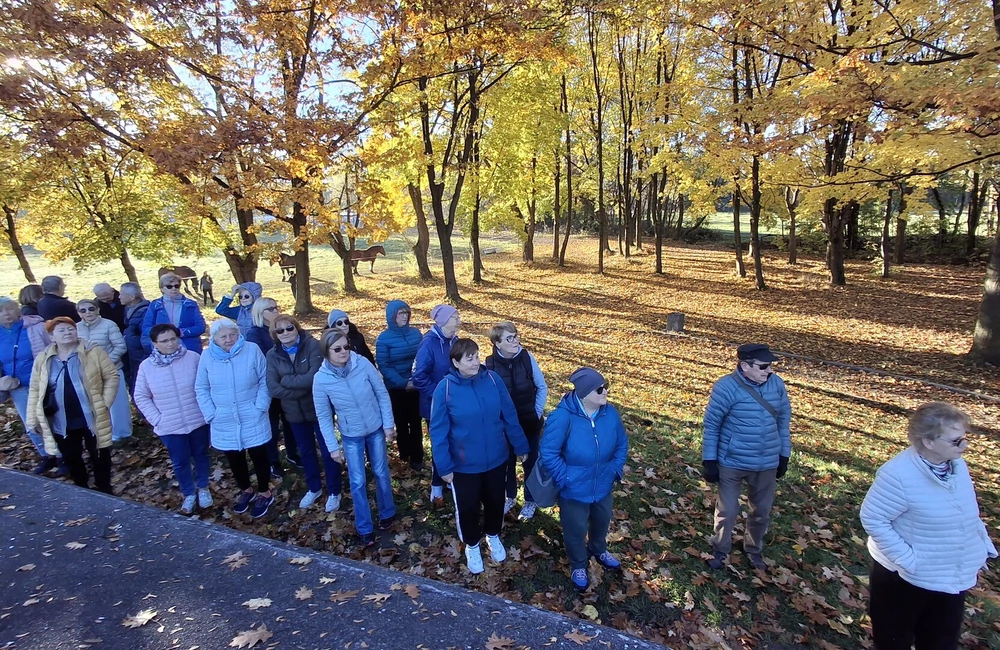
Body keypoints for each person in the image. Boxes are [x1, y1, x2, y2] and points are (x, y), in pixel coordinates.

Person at [860, 402, 997, 650]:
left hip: (949, 575)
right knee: (894, 640)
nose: (964, 446)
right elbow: (874, 518)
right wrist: (910, 560)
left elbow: (966, 510)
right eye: (956, 441)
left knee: (940, 641)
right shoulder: (897, 474)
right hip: (904, 578)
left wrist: (980, 544)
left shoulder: (956, 465)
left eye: (964, 438)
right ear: (928, 442)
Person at [429, 338, 529, 575]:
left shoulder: (493, 380)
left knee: (496, 501)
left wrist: (521, 445)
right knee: (468, 507)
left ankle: (493, 535)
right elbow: (439, 430)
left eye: (476, 356)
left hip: (496, 459)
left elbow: (509, 415)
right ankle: (472, 544)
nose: (475, 362)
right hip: (464, 466)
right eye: (469, 358)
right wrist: (444, 466)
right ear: (456, 362)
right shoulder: (446, 389)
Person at [701, 343, 791, 571]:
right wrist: (709, 460)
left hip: (767, 462)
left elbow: (783, 422)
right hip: (733, 461)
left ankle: (753, 549)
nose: (769, 370)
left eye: (770, 366)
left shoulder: (777, 385)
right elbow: (712, 425)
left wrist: (784, 455)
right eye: (763, 366)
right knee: (727, 510)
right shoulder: (726, 387)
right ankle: (720, 548)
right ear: (744, 366)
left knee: (761, 512)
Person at [539, 367, 628, 590]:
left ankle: (598, 549)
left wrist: (615, 469)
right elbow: (548, 453)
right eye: (599, 389)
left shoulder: (610, 413)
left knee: (602, 521)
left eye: (606, 387)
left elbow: (622, 443)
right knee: (575, 530)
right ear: (584, 394)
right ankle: (579, 563)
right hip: (574, 489)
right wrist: (566, 477)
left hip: (603, 485)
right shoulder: (562, 417)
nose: (605, 392)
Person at [312, 329, 396, 547]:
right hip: (351, 435)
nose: (343, 352)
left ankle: (387, 512)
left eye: (346, 347)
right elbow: (323, 416)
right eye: (337, 349)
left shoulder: (362, 364)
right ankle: (365, 527)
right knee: (357, 481)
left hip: (375, 427)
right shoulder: (321, 380)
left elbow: (381, 393)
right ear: (326, 352)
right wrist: (333, 446)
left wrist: (388, 424)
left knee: (381, 472)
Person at [26, 317, 118, 493]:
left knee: (100, 454)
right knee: (71, 456)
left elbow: (112, 376)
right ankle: (81, 488)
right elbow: (35, 389)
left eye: (71, 329)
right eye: (61, 330)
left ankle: (105, 489)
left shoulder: (93, 351)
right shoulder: (43, 359)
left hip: (92, 415)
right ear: (52, 337)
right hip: (61, 418)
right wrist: (32, 419)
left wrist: (104, 402)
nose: (68, 333)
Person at [195, 319, 274, 519]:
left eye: (233, 334)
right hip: (223, 417)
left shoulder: (252, 349)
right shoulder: (207, 356)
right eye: (224, 336)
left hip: (252, 412)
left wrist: (260, 406)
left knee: (258, 454)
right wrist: (211, 413)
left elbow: (265, 379)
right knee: (234, 457)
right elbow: (201, 387)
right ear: (215, 339)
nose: (229, 339)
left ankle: (265, 491)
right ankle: (246, 489)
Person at [134, 324, 213, 514]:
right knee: (180, 461)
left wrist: (206, 411)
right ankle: (189, 493)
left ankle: (203, 488)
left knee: (201, 454)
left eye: (173, 339)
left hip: (197, 420)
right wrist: (158, 419)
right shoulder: (146, 367)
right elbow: (141, 396)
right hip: (169, 425)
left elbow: (207, 384)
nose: (170, 344)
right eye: (164, 341)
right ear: (154, 343)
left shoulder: (193, 358)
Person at [265, 315, 342, 511]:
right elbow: (273, 387)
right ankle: (314, 487)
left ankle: (334, 491)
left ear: (297, 328)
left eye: (289, 328)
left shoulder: (313, 346)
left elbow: (314, 379)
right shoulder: (272, 355)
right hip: (293, 414)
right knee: (306, 452)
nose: (285, 333)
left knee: (328, 451)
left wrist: (287, 381)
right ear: (274, 334)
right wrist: (296, 386)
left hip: (318, 409)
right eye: (279, 330)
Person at [484, 322, 548, 520]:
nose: (515, 341)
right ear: (497, 343)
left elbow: (542, 387)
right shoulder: (490, 364)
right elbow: (489, 396)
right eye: (509, 338)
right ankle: (509, 497)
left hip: (529, 423)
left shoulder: (527, 358)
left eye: (516, 336)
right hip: (505, 427)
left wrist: (536, 413)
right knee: (507, 462)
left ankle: (530, 501)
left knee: (530, 462)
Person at [412, 304, 461, 505]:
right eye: (455, 316)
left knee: (455, 442)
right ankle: (436, 485)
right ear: (443, 321)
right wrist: (439, 396)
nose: (459, 319)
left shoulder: (455, 340)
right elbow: (418, 376)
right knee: (440, 444)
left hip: (455, 404)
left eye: (458, 315)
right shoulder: (429, 343)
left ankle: (451, 479)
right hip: (434, 405)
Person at [0, 297, 54, 472]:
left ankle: (63, 456)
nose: (6, 314)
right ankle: (47, 456)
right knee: (31, 423)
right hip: (18, 386)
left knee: (53, 419)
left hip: (45, 381)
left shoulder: (36, 327)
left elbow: (54, 349)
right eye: (1, 311)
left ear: (18, 310)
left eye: (9, 309)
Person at [247, 297, 297, 475]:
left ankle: (293, 453)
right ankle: (273, 461)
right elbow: (263, 361)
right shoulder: (255, 334)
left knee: (290, 421)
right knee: (272, 425)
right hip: (269, 386)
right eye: (270, 309)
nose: (276, 311)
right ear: (260, 313)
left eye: (276, 307)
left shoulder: (282, 328)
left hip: (288, 384)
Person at [375, 300, 424, 472]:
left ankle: (418, 457)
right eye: (400, 313)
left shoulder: (416, 334)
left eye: (406, 313)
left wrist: (415, 380)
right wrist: (403, 383)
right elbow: (383, 364)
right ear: (392, 316)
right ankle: (405, 452)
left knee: (416, 422)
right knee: (401, 422)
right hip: (396, 388)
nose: (404, 316)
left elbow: (422, 358)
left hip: (416, 385)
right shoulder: (383, 339)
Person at [76, 299, 132, 442]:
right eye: (83, 310)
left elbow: (120, 346)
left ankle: (122, 434)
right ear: (78, 313)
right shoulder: (75, 329)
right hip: (87, 372)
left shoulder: (109, 325)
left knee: (117, 403)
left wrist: (105, 363)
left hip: (111, 370)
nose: (88, 312)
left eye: (91, 309)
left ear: (98, 310)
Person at [142, 273, 206, 353]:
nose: (173, 288)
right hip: (163, 350)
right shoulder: (155, 305)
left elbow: (201, 327)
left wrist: (180, 332)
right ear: (161, 288)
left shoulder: (191, 304)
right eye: (169, 286)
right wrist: (162, 335)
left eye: (177, 286)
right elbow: (146, 328)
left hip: (189, 348)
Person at [120, 282, 150, 395]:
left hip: (140, 354)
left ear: (132, 297)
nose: (119, 296)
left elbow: (146, 335)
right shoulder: (128, 309)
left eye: (122, 294)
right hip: (131, 354)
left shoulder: (145, 311)